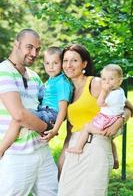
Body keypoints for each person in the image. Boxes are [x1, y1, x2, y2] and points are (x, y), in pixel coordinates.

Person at [57, 44, 131, 196]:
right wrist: (64, 155)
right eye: (65, 60)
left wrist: (120, 121)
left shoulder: (96, 83)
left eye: (74, 60)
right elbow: (71, 129)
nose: (68, 65)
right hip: (75, 146)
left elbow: (128, 107)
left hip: (96, 146)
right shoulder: (66, 89)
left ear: (84, 64)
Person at [0, 29, 58, 196]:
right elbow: (19, 115)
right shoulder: (3, 71)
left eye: (38, 49)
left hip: (42, 152)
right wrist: (48, 128)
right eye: (29, 47)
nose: (34, 53)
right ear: (16, 44)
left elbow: (47, 105)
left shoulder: (34, 76)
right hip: (17, 155)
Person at [0, 46, 73, 157]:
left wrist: (55, 130)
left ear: (62, 64)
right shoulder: (52, 80)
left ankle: (1, 149)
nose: (51, 67)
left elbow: (63, 110)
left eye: (55, 63)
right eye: (47, 63)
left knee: (19, 118)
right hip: (45, 112)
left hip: (51, 114)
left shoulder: (62, 83)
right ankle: (39, 128)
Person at [66, 64, 133, 169]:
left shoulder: (111, 94)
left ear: (120, 80)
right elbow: (125, 102)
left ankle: (78, 147)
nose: (107, 82)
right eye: (104, 79)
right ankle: (115, 159)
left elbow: (100, 103)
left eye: (111, 79)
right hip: (115, 118)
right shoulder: (120, 91)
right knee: (111, 140)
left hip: (106, 120)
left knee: (87, 127)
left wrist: (104, 92)